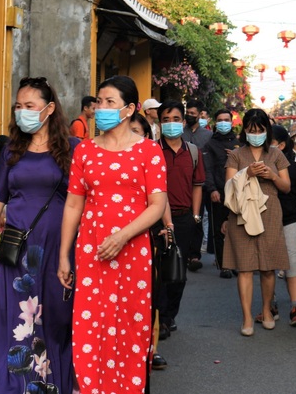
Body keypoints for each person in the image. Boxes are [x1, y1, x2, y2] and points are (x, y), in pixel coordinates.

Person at [57, 75, 168, 393]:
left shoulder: (148, 151)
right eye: (98, 102)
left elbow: (157, 204)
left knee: (130, 327)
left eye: (110, 102)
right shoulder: (84, 151)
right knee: (91, 327)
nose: (100, 108)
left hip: (133, 253)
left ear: (129, 109)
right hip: (91, 253)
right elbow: (73, 206)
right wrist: (64, 254)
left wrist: (122, 236)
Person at [0, 77, 79, 393]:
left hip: (56, 249)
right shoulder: (11, 149)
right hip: (17, 249)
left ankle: (49, 384)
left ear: (49, 109)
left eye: (30, 106)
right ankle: (11, 386)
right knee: (15, 322)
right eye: (18, 106)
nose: (23, 112)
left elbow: (81, 201)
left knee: (54, 321)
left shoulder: (72, 149)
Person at [222, 108, 291, 336]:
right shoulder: (236, 154)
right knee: (245, 268)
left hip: (270, 212)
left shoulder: (276, 154)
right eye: (251, 130)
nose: (256, 134)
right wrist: (248, 173)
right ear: (245, 131)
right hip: (241, 215)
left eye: (260, 130)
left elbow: (286, 187)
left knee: (268, 267)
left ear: (267, 130)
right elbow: (229, 185)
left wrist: (271, 175)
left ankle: (266, 311)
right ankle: (247, 317)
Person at [155, 100, 205, 339]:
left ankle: (170, 315)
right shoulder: (152, 151)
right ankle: (160, 318)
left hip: (184, 219)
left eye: (176, 119)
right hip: (156, 221)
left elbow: (197, 185)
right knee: (159, 271)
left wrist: (195, 216)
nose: (171, 124)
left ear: (184, 122)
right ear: (159, 123)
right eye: (166, 120)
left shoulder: (193, 152)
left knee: (179, 272)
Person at [130, 111, 167, 370]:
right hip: (104, 239)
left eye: (136, 132)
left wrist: (169, 225)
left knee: (146, 299)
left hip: (144, 238)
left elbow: (159, 197)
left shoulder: (151, 155)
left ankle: (149, 350)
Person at [270, 124, 296, 327]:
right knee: (267, 265)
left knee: (293, 264)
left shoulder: (293, 168)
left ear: (282, 144)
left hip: (291, 221)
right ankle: (270, 305)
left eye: (271, 142)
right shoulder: (257, 167)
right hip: (264, 223)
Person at [202, 108, 241, 279]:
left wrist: (237, 156)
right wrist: (212, 189)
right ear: (215, 123)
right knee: (218, 230)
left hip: (238, 193)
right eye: (220, 120)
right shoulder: (210, 144)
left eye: (226, 119)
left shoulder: (239, 144)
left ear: (232, 122)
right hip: (218, 191)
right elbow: (207, 169)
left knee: (236, 229)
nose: (223, 123)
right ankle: (223, 264)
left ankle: (235, 263)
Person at [182, 99, 213, 271]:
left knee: (197, 218)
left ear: (200, 115)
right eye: (189, 113)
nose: (190, 116)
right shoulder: (180, 132)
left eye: (193, 114)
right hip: (181, 183)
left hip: (200, 184)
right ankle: (183, 254)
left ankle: (194, 255)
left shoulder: (207, 135)